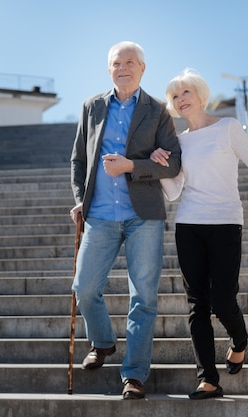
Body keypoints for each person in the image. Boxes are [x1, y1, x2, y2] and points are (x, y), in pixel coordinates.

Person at [151, 68, 248, 400]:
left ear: (201, 95)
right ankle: (208, 378)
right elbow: (175, 191)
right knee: (197, 305)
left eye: (186, 93)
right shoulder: (177, 141)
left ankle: (239, 340)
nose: (180, 100)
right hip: (189, 225)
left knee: (223, 301)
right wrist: (161, 166)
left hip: (225, 223)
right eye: (175, 97)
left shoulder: (227, 127)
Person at [69, 41, 182, 400]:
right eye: (117, 62)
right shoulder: (92, 107)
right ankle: (102, 342)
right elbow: (77, 161)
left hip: (143, 216)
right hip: (99, 216)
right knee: (84, 289)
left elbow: (175, 162)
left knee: (143, 298)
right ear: (109, 70)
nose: (123, 67)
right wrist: (79, 201)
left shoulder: (158, 111)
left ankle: (134, 375)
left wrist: (133, 165)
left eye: (130, 62)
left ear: (142, 69)